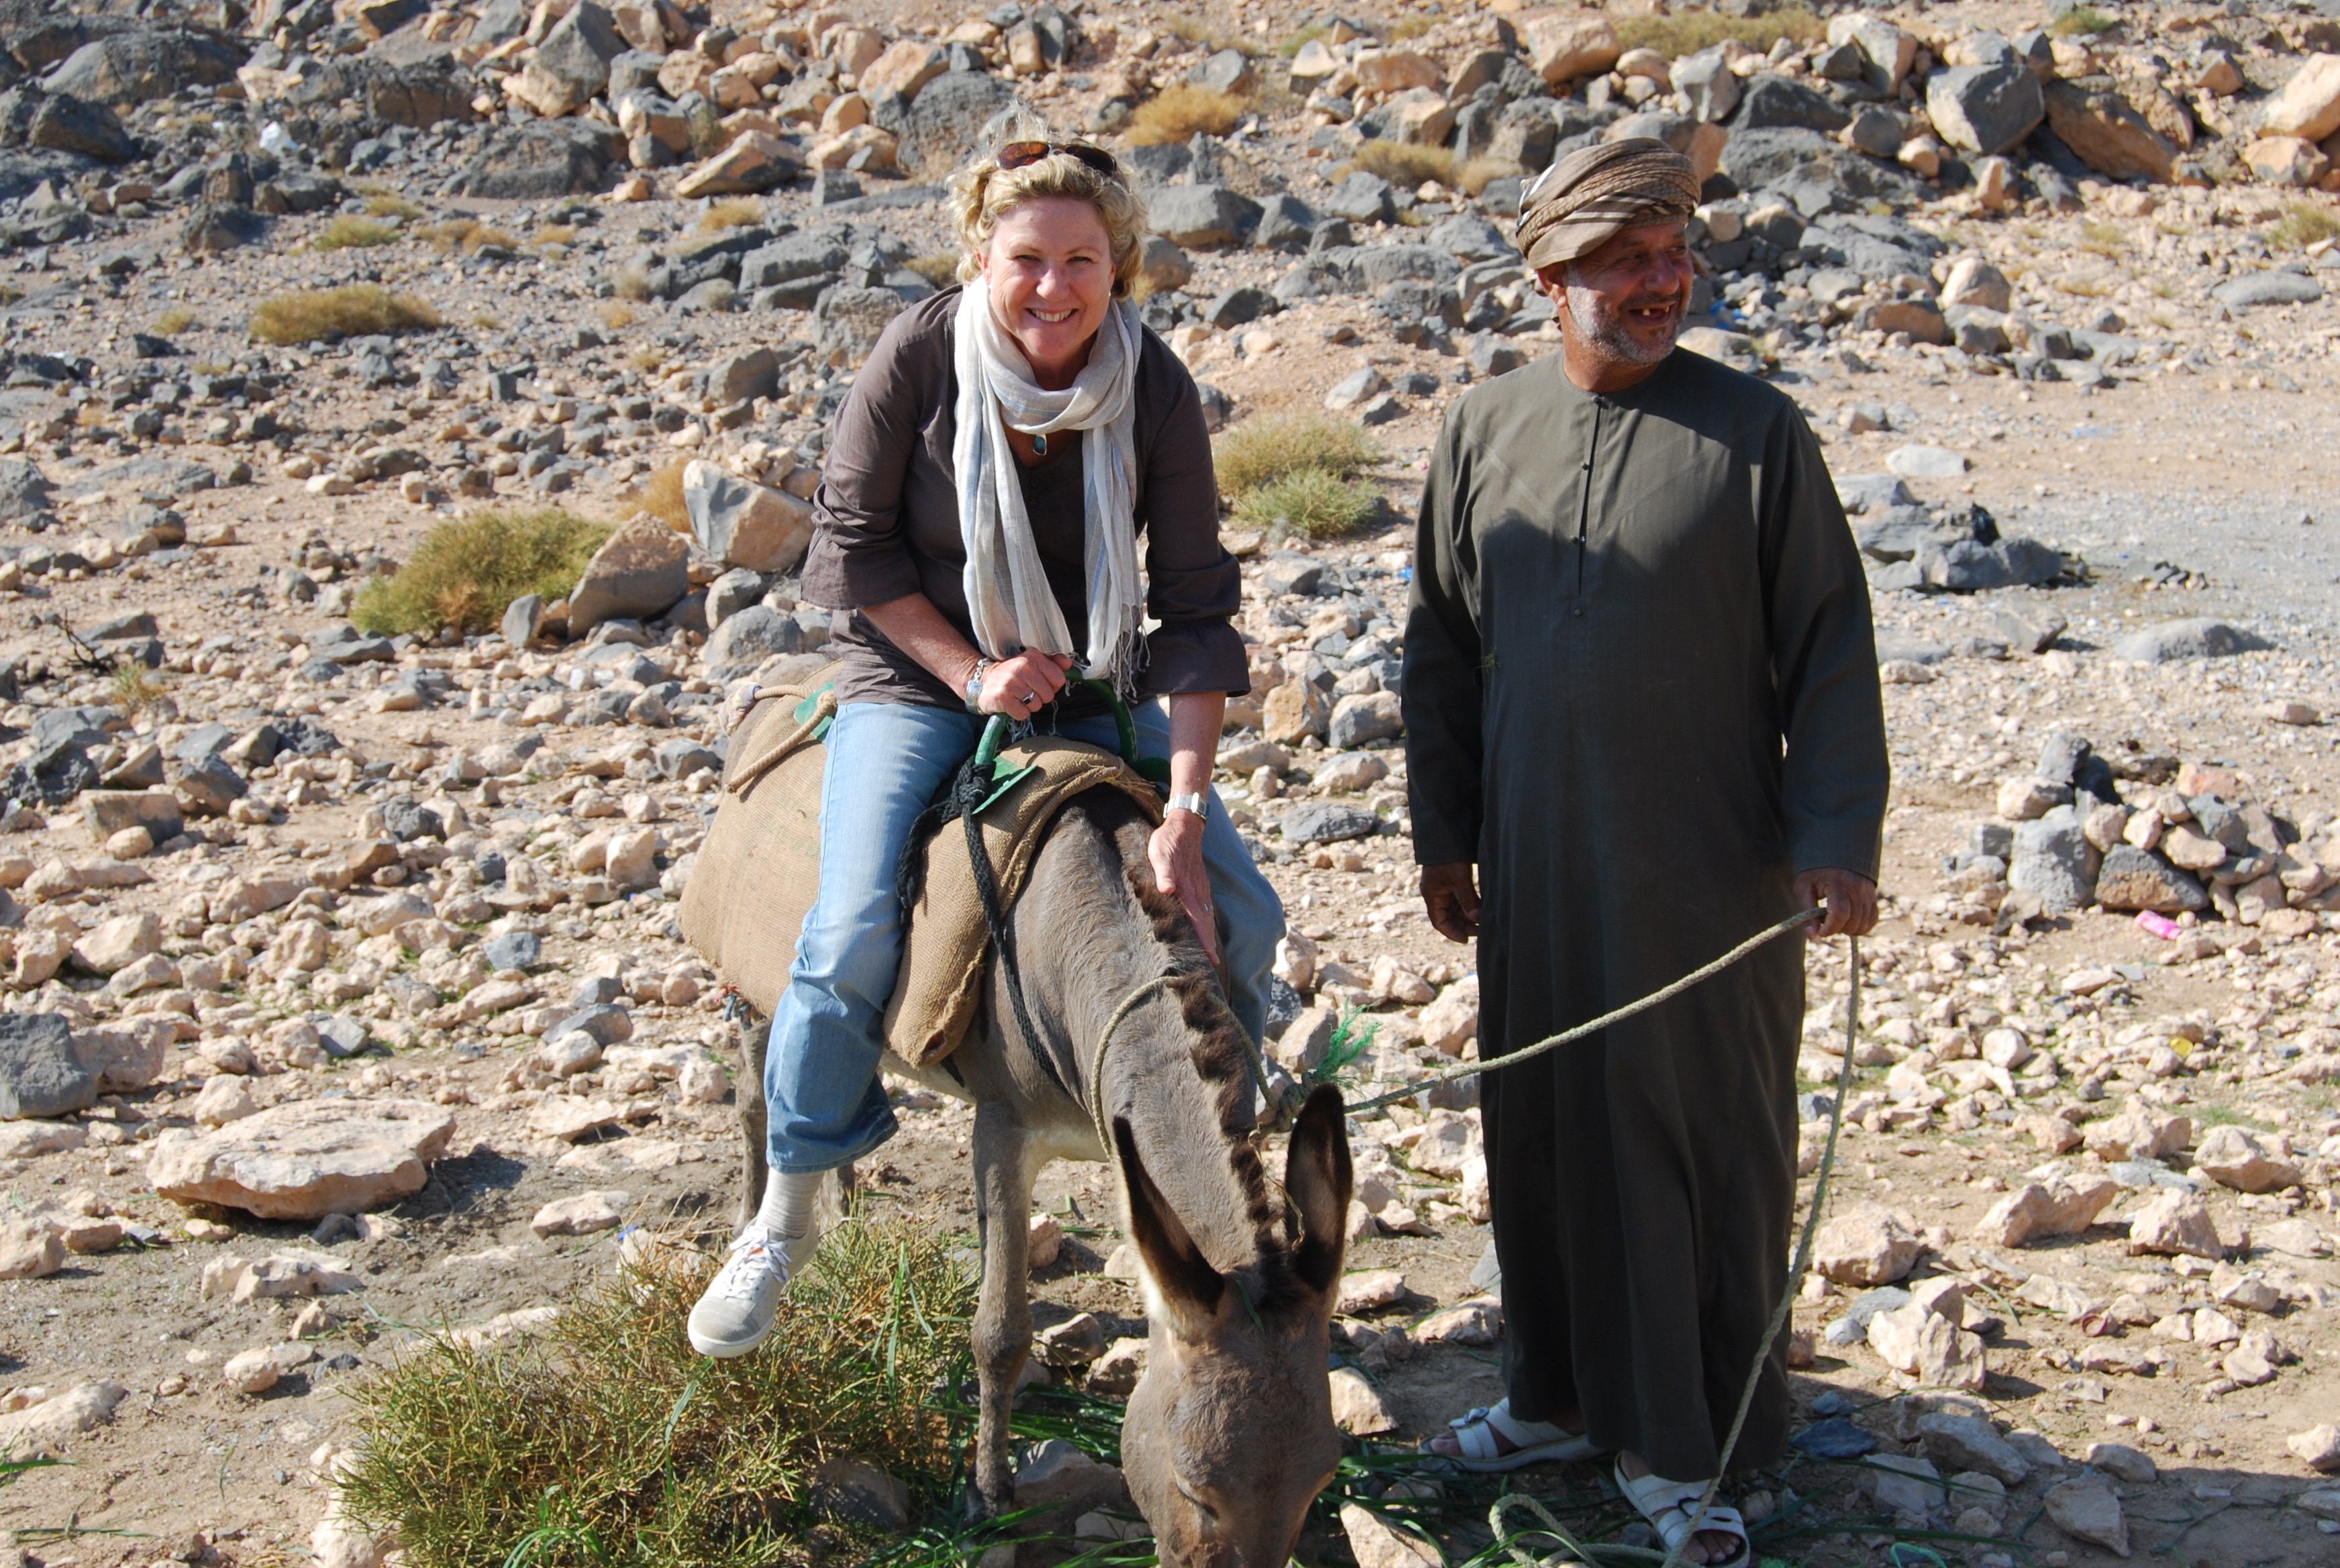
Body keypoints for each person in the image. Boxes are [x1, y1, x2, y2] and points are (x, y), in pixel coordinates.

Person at [687, 127, 1284, 1359]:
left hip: (1085, 677)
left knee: (1247, 910)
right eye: (1027, 259)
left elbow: (1195, 613)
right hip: (915, 677)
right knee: (851, 922)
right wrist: (970, 672)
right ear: (979, 258)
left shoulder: (1153, 387)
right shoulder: (918, 356)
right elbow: (852, 552)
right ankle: (786, 1213)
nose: (1053, 288)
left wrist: (1182, 808)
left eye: (1081, 260)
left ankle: (1209, 1164)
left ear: (1118, 267)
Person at [1401, 140, 1889, 1568]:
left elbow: (1829, 647)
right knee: (1543, 1123)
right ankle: (1553, 1399)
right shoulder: (1483, 427)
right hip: (1536, 864)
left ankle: (1692, 1443)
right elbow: (1441, 644)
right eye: (1628, 258)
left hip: (1706, 868)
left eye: (1676, 253)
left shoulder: (1756, 434)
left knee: (1696, 1140)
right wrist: (1444, 829)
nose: (1663, 280)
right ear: (1551, 277)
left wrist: (1835, 836)